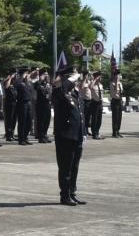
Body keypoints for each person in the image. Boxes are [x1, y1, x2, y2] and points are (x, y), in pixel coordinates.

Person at [52, 66, 87, 206]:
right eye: (73, 78)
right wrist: (70, 79)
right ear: (67, 79)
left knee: (75, 167)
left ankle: (72, 193)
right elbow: (61, 90)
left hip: (76, 135)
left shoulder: (75, 94)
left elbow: (80, 115)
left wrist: (83, 132)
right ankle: (65, 196)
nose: (76, 81)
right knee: (65, 167)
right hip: (65, 136)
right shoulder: (59, 92)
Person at [14, 67, 33, 146]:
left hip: (29, 103)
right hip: (22, 103)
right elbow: (16, 85)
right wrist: (22, 77)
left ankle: (25, 137)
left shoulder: (28, 82)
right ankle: (21, 139)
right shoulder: (19, 82)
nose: (28, 75)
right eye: (26, 73)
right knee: (22, 121)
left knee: (29, 121)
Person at [35, 69, 53, 143]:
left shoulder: (48, 84)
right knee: (41, 121)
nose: (46, 76)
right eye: (44, 74)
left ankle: (45, 135)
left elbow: (50, 92)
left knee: (47, 121)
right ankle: (41, 137)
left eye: (47, 74)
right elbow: (37, 88)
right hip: (40, 105)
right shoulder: (38, 83)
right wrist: (40, 80)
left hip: (47, 104)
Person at [3, 68, 18, 141]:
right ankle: (8, 135)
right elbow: (6, 86)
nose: (15, 75)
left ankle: (12, 133)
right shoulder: (7, 81)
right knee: (9, 119)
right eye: (14, 73)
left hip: (15, 102)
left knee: (14, 119)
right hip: (9, 103)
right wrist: (10, 77)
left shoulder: (15, 82)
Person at [89, 71, 105, 140]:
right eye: (99, 76)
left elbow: (102, 95)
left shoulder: (101, 85)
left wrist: (102, 103)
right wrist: (95, 79)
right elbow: (90, 87)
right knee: (94, 119)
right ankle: (94, 134)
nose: (100, 78)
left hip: (100, 103)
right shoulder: (92, 84)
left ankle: (97, 132)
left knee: (99, 119)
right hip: (94, 103)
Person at [110, 69, 123, 138]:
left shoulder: (120, 83)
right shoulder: (112, 83)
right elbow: (115, 92)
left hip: (119, 101)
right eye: (119, 75)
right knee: (115, 117)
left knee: (119, 117)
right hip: (114, 101)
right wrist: (117, 81)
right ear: (115, 76)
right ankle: (114, 132)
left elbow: (121, 93)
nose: (120, 76)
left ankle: (118, 131)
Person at [79, 70, 93, 136]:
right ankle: (83, 130)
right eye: (87, 75)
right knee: (84, 116)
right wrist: (84, 79)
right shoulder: (82, 82)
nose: (88, 76)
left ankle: (87, 130)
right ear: (84, 75)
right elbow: (81, 87)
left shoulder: (89, 81)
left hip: (89, 101)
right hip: (84, 101)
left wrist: (92, 79)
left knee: (88, 117)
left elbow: (91, 87)